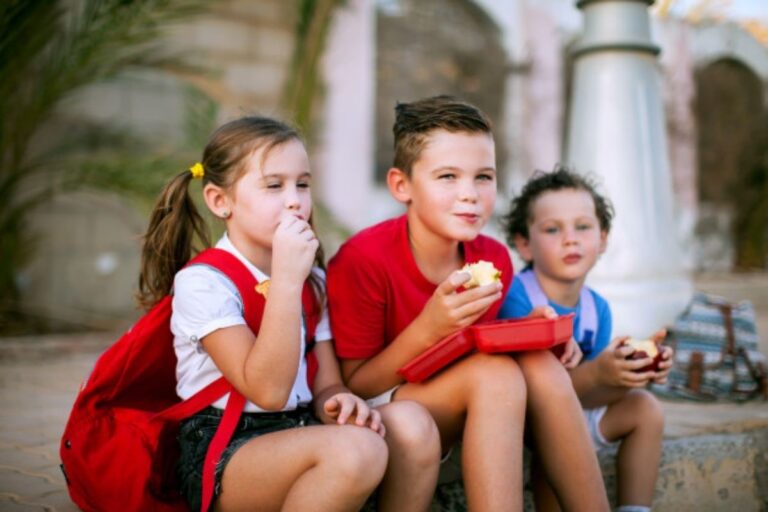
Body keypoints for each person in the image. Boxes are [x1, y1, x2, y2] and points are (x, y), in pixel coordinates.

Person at [137, 116, 441, 512]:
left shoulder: (311, 279)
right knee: (356, 451)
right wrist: (285, 281)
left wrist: (339, 402)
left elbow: (327, 384)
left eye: (303, 183)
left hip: (300, 428)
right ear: (219, 200)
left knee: (413, 424)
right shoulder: (204, 283)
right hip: (227, 448)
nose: (295, 199)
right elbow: (267, 390)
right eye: (274, 185)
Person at [327, 96, 609, 511]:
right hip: (385, 410)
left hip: (460, 397)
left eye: (483, 177)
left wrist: (532, 330)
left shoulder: (492, 257)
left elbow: (477, 345)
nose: (470, 195)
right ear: (401, 185)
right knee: (493, 376)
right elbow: (358, 384)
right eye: (447, 177)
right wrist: (430, 327)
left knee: (541, 365)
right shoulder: (363, 260)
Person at [499, 166, 674, 512]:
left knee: (645, 407)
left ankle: (635, 508)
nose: (571, 238)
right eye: (552, 229)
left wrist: (630, 373)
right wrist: (598, 374)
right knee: (557, 436)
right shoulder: (517, 298)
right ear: (524, 244)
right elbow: (536, 397)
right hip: (529, 427)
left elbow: (586, 395)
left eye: (583, 227)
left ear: (603, 238)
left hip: (576, 415)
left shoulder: (597, 309)